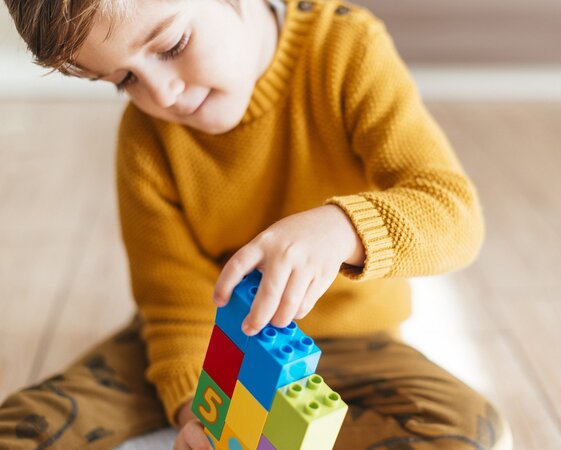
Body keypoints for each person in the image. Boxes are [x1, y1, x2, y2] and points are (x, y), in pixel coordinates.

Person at [0, 0, 513, 448]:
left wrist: (343, 230)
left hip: (354, 343)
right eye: (125, 80)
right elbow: (174, 303)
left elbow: (453, 212)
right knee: (25, 426)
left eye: (172, 44)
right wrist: (198, 412)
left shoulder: (346, 50)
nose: (163, 96)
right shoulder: (147, 139)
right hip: (204, 339)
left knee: (469, 430)